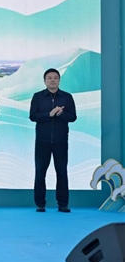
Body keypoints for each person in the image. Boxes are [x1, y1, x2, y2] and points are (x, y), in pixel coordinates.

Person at [29, 68, 77, 213]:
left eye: (55, 78)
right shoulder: (38, 96)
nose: (52, 80)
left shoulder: (67, 97)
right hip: (42, 141)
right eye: (49, 78)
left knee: (62, 172)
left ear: (59, 80)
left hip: (60, 141)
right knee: (40, 173)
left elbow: (73, 117)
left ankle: (63, 204)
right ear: (44, 81)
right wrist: (48, 114)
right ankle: (40, 203)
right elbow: (33, 116)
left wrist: (61, 114)